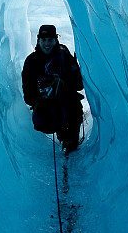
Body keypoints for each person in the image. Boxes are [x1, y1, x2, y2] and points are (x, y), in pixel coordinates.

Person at [22, 24, 84, 154]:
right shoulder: (31, 62)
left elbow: (79, 84)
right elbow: (28, 93)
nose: (46, 44)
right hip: (45, 103)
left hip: (67, 100)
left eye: (50, 40)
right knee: (43, 122)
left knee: (73, 107)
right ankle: (61, 131)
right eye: (43, 40)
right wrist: (40, 100)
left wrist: (61, 83)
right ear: (38, 40)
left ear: (56, 40)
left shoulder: (64, 56)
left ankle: (71, 137)